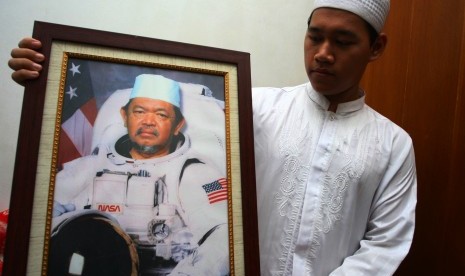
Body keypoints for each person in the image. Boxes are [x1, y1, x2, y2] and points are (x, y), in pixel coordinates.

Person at [8, 0, 417, 275]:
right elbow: (164, 95)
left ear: (376, 47)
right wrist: (46, 74)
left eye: (343, 42)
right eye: (315, 36)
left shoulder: (392, 144)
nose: (323, 53)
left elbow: (385, 243)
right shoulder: (253, 108)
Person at [34, 73, 230, 275]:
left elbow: (223, 238)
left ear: (177, 125)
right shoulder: (88, 168)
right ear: (124, 116)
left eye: (161, 114)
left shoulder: (193, 172)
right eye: (139, 112)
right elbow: (38, 215)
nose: (148, 122)